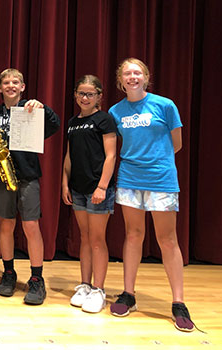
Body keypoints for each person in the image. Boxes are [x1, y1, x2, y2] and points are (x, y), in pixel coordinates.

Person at [108, 58, 194, 332]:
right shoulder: (115, 111)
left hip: (161, 179)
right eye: (127, 74)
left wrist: (156, 162)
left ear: (146, 77)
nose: (132, 77)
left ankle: (178, 302)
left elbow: (176, 144)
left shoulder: (165, 105)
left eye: (137, 73)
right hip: (130, 179)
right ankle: (129, 294)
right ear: (121, 81)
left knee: (167, 240)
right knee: (133, 235)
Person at [0, 68, 60, 305]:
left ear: (22, 86)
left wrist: (43, 108)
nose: (10, 86)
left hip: (27, 175)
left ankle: (37, 278)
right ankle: (8, 273)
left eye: (15, 82)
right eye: (6, 82)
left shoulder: (31, 107)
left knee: (30, 225)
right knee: (6, 225)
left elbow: (54, 125)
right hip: (3, 175)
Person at [61, 75, 117, 313]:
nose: (85, 98)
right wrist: (65, 183)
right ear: (75, 95)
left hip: (98, 189)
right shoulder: (73, 122)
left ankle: (99, 289)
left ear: (99, 97)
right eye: (81, 94)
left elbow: (111, 155)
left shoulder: (104, 120)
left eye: (90, 94)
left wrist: (102, 187)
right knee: (84, 237)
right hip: (78, 189)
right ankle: (84, 284)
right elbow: (69, 156)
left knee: (97, 239)